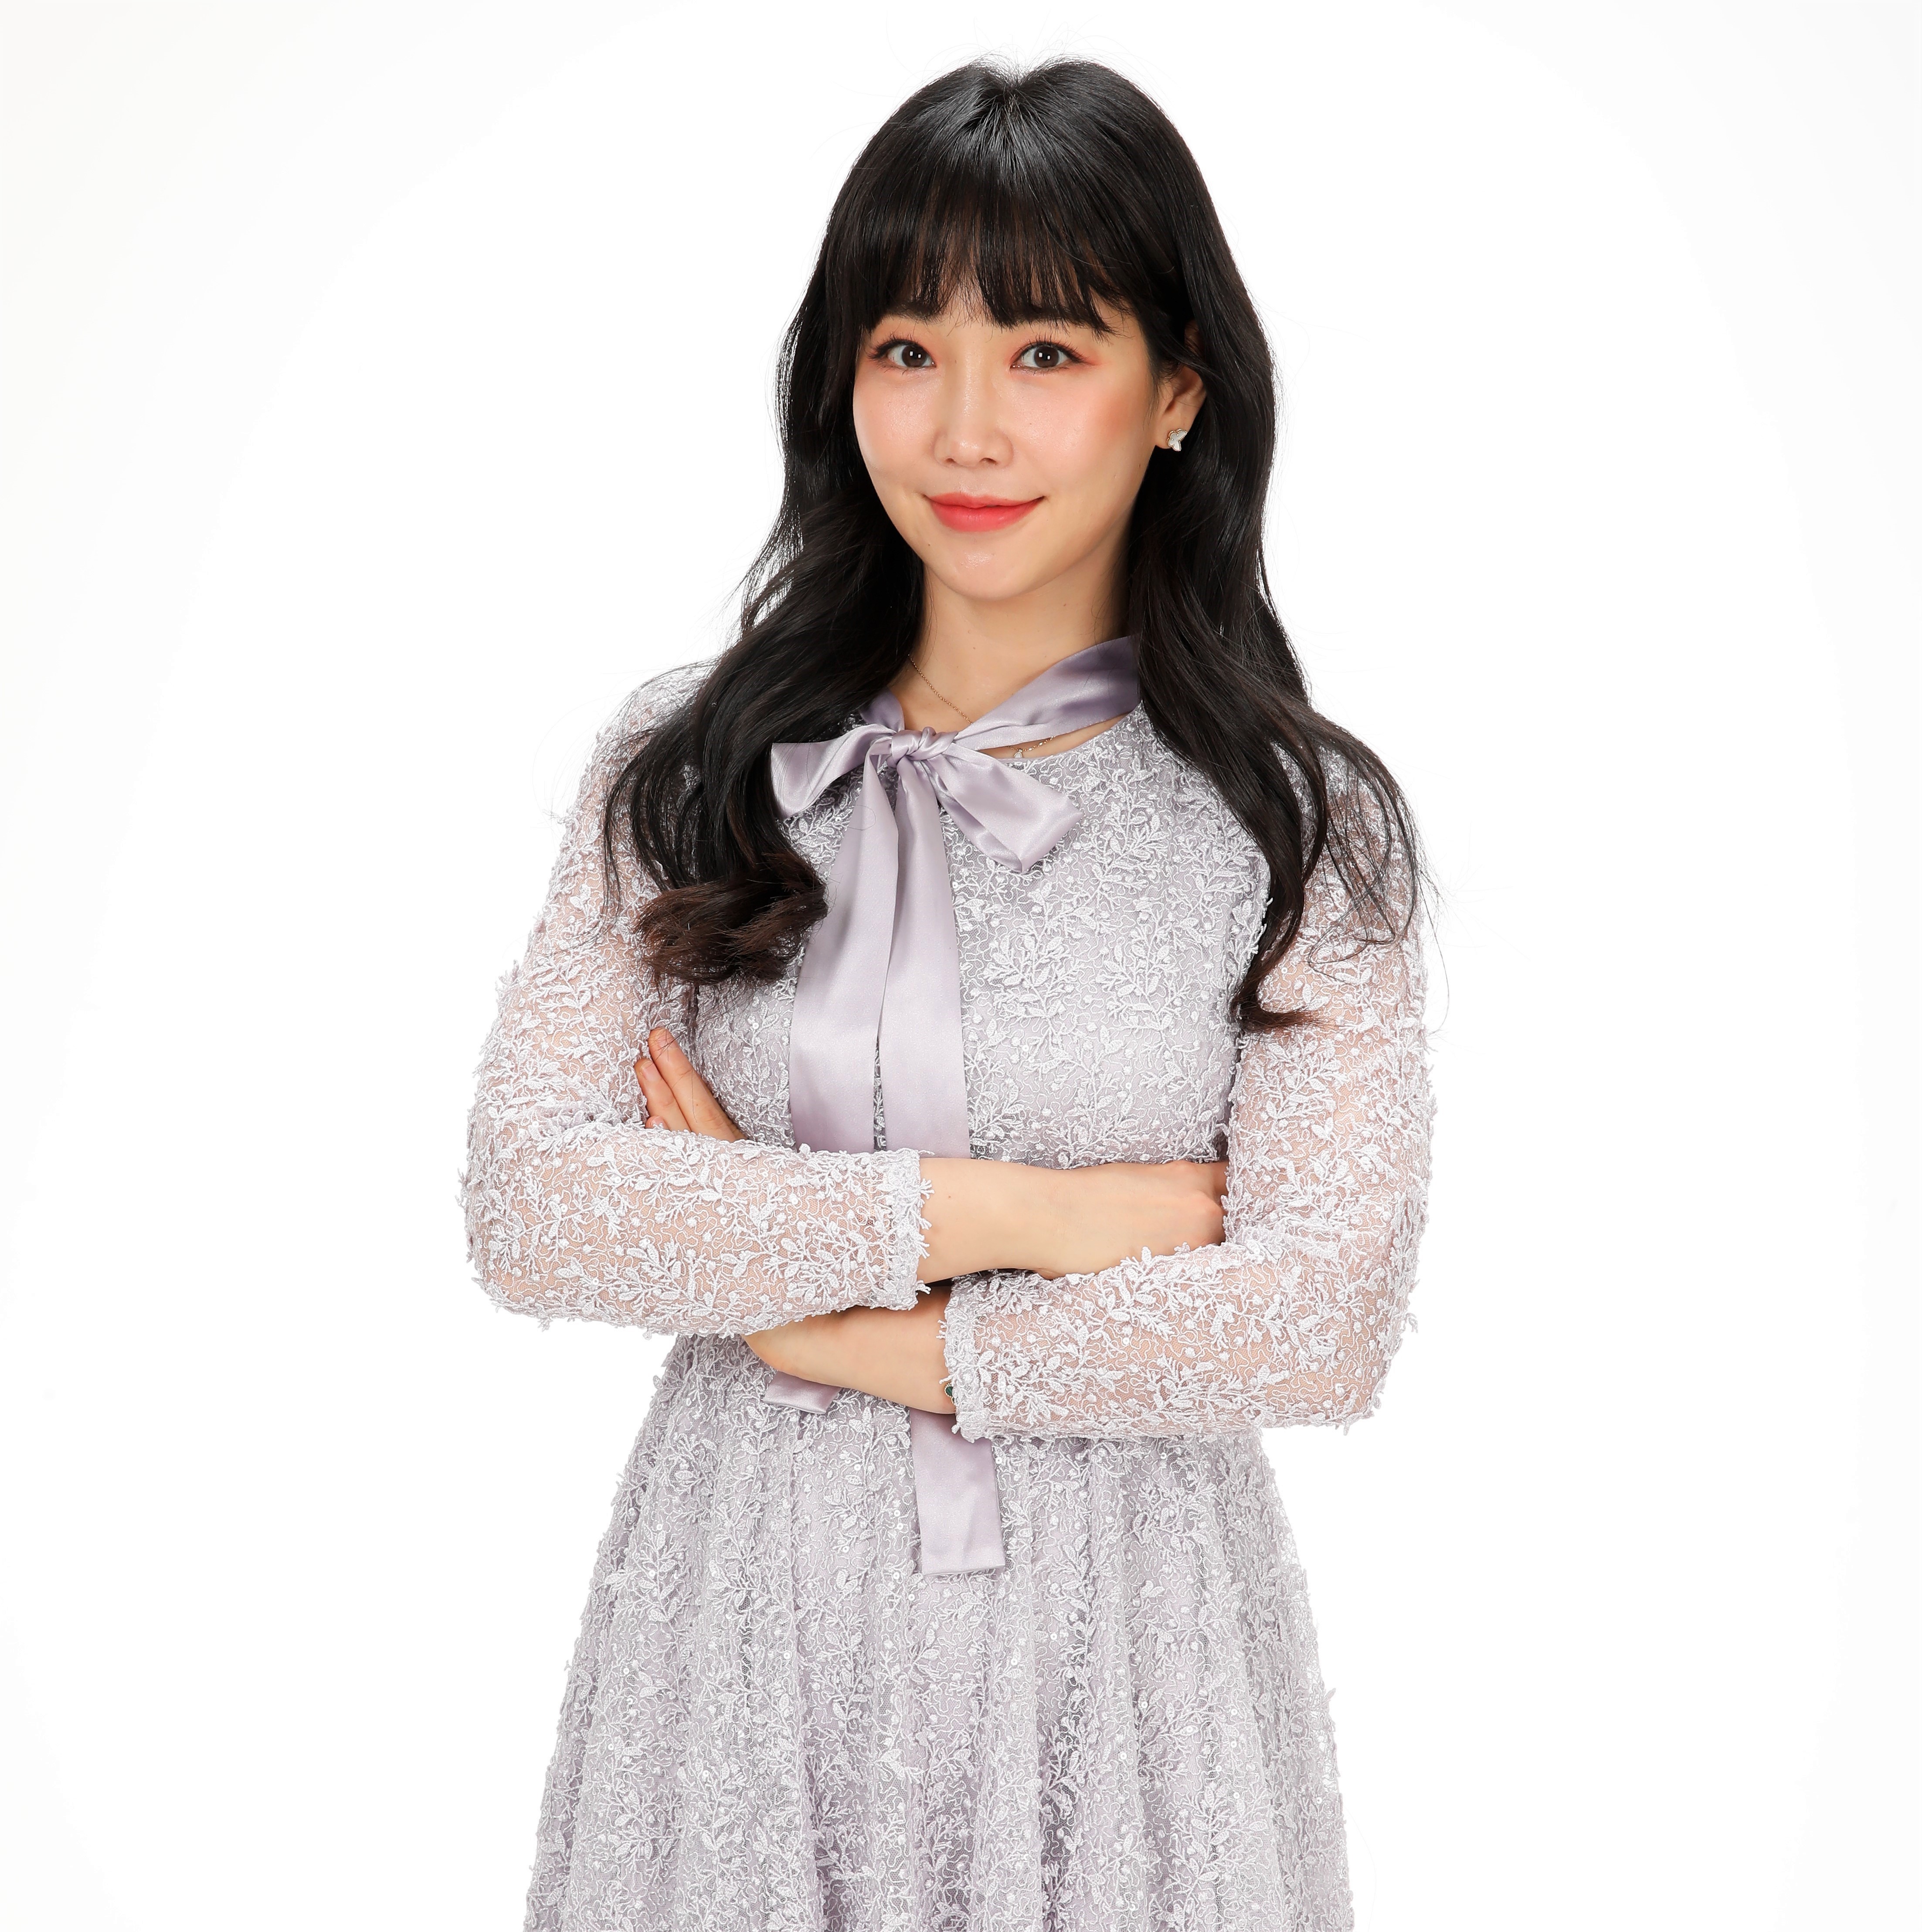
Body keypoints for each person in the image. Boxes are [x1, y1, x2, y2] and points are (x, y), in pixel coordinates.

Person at [463, 56, 1433, 1932]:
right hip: (741, 1631)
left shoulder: (1292, 823)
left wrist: (839, 1323)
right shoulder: (690, 769)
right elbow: (531, 1201)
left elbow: (1319, 1317)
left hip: (1126, 1655)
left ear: (1178, 389)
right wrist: (1022, 1217)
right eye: (907, 348)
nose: (967, 427)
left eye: (1046, 351)